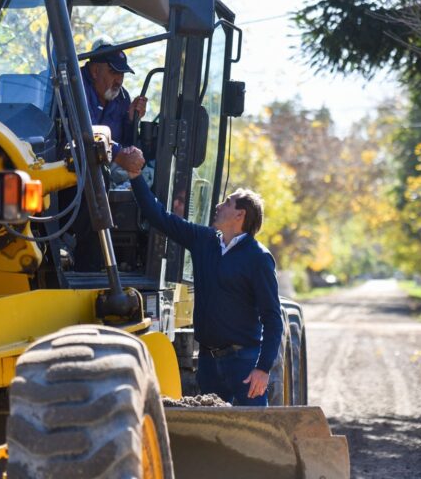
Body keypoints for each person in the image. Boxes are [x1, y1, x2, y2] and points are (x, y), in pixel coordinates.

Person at [119, 147, 283, 406]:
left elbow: (273, 319)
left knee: (253, 435)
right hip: (208, 363)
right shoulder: (204, 240)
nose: (218, 206)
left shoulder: (258, 258)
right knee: (211, 437)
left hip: (244, 365)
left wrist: (263, 369)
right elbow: (159, 217)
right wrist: (135, 176)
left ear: (240, 215)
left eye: (227, 203)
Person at [63, 43, 148, 271]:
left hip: (105, 172)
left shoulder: (121, 98)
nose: (118, 79)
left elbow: (126, 143)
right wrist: (119, 154)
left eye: (121, 73)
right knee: (97, 172)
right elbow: (83, 133)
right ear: (94, 71)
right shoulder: (73, 86)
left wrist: (131, 120)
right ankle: (88, 266)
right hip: (69, 171)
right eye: (113, 72)